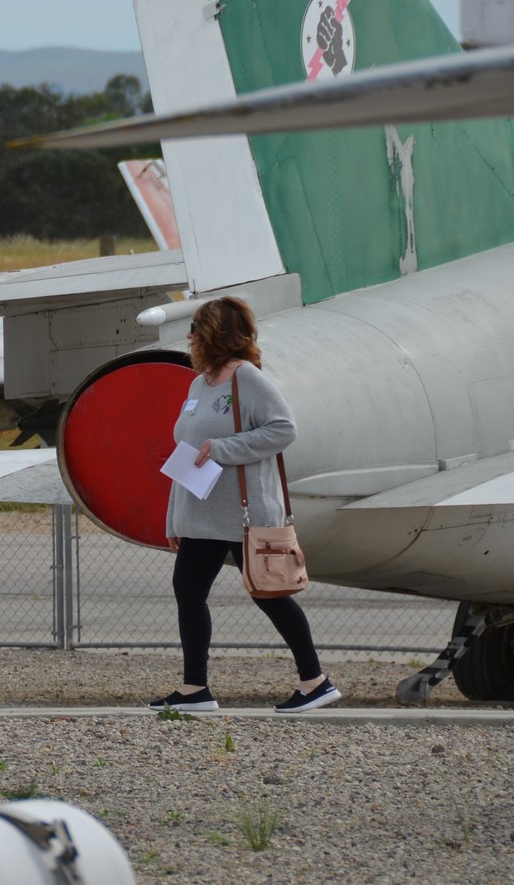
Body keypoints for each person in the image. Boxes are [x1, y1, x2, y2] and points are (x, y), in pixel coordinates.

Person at [151, 295, 341, 714]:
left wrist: (222, 447)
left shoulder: (247, 379)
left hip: (243, 514)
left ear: (214, 334)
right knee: (188, 591)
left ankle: (315, 681)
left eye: (196, 329)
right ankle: (194, 689)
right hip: (201, 514)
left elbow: (282, 430)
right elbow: (187, 450)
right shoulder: (199, 383)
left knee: (268, 593)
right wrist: (174, 516)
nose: (189, 337)